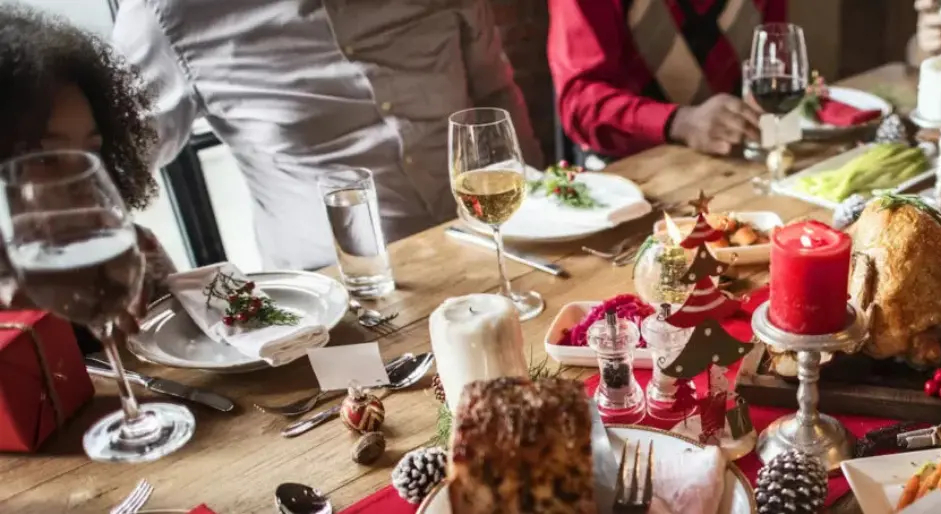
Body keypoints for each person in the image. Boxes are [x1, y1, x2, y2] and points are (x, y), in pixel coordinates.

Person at [112, 0, 543, 271]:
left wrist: (542, 214)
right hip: (339, 301)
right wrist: (149, 275)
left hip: (493, 257)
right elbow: (108, 169)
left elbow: (494, 93)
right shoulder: (167, 14)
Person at [0, 6, 176, 350]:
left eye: (91, 153)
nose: (83, 180)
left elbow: (198, 353)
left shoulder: (129, 252)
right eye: (47, 158)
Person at [548, 0, 788, 162]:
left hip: (739, 162)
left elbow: (774, 57)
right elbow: (578, 102)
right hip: (633, 177)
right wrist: (678, 122)